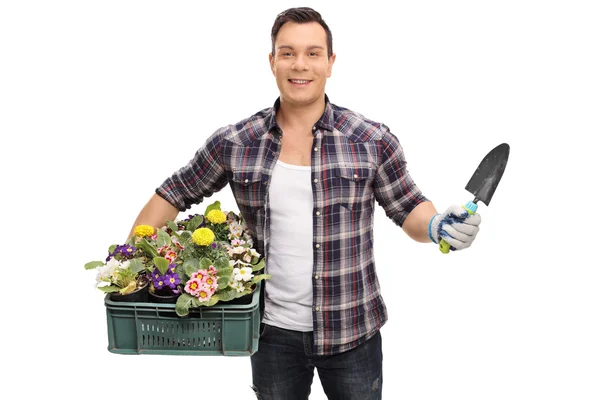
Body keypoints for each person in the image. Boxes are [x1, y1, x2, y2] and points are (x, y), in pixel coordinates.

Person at [127, 6, 481, 400]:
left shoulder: (370, 140)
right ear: (272, 61)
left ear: (330, 63)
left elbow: (408, 206)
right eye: (288, 52)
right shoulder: (236, 143)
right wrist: (129, 264)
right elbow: (174, 192)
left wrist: (436, 227)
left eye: (313, 53)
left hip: (354, 332)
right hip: (271, 335)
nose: (301, 64)